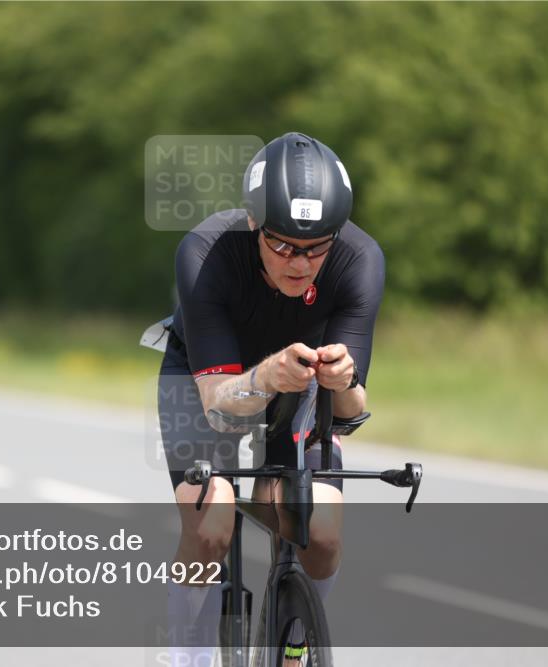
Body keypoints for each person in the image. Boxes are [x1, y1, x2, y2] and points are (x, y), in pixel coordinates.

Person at [159, 132, 385, 664]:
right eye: (283, 244)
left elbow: (351, 415)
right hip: (206, 385)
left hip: (298, 392)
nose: (300, 263)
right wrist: (266, 377)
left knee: (321, 534)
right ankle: (184, 655)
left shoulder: (360, 259)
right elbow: (217, 401)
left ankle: (294, 641)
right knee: (212, 523)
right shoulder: (205, 251)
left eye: (316, 248)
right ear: (254, 222)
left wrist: (344, 382)